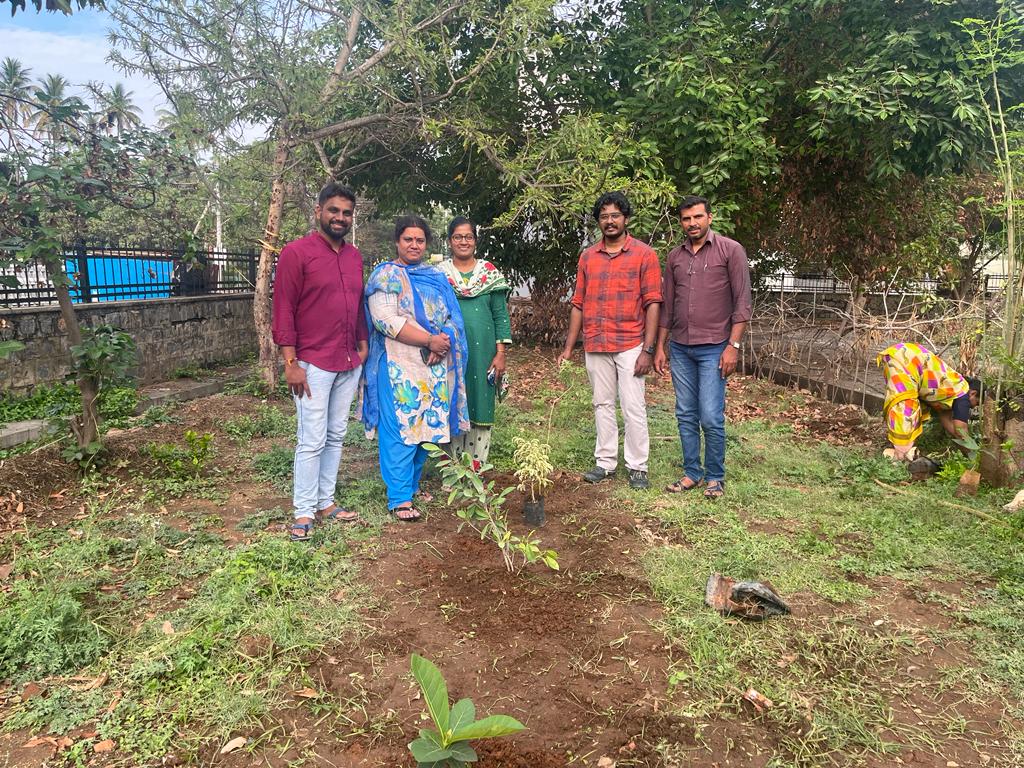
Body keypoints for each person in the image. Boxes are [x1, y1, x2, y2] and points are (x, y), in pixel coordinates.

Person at [272, 182, 368, 542]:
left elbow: (357, 305)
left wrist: (362, 346)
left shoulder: (354, 256)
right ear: (319, 212)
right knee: (311, 439)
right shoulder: (296, 253)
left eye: (346, 213)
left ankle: (326, 502)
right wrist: (290, 362)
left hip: (348, 360)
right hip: (312, 363)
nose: (340, 218)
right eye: (334, 211)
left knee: (336, 434)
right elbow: (283, 308)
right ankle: (304, 510)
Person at [361, 215, 470, 521]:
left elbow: (453, 317)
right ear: (397, 242)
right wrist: (429, 341)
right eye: (408, 239)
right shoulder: (386, 275)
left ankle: (411, 485)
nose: (414, 245)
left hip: (434, 365)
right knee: (400, 429)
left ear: (427, 244)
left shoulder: (435, 276)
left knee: (427, 428)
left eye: (420, 240)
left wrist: (443, 340)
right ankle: (399, 498)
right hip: (398, 365)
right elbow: (385, 320)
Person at [557, 191, 662, 490]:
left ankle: (637, 467)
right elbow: (578, 303)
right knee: (602, 404)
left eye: (615, 215)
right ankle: (605, 463)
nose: (610, 221)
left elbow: (653, 303)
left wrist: (648, 349)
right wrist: (568, 348)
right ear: (598, 222)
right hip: (596, 342)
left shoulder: (644, 255)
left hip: (630, 344)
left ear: (626, 219)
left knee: (633, 406)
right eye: (604, 217)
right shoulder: (588, 257)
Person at [654, 195, 752, 500]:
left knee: (710, 415)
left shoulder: (730, 250)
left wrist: (733, 345)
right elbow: (668, 306)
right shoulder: (675, 257)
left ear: (710, 217)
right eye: (686, 219)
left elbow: (743, 302)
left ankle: (715, 477)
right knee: (685, 413)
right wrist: (660, 347)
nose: (692, 223)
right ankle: (692, 473)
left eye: (698, 217)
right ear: (681, 222)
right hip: (681, 347)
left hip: (715, 347)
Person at [438, 217, 513, 470]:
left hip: (484, 354)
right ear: (450, 241)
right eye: (458, 237)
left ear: (475, 241)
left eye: (468, 237)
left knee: (480, 402)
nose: (463, 241)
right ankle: (452, 471)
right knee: (451, 402)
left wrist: (500, 353)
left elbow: (500, 316)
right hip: (449, 353)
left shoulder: (490, 274)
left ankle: (475, 469)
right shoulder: (439, 275)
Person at [876, 342, 980, 460]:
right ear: (973, 393)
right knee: (905, 407)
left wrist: (962, 446)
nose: (973, 407)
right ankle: (901, 454)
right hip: (907, 361)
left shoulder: (952, 390)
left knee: (905, 403)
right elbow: (961, 430)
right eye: (976, 403)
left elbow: (948, 422)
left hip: (902, 355)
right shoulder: (963, 394)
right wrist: (973, 455)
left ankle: (901, 451)